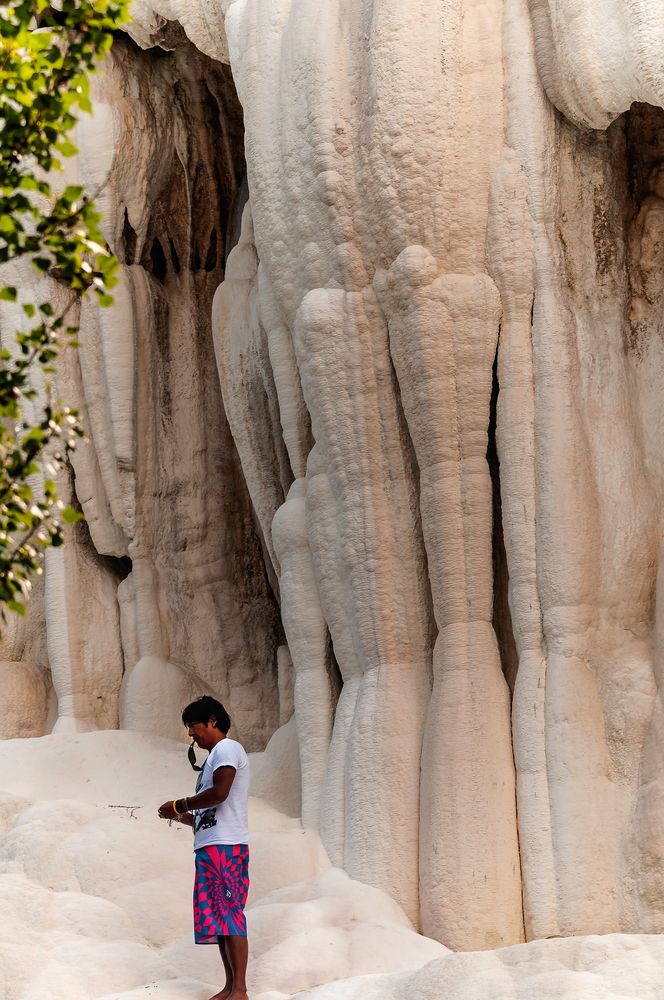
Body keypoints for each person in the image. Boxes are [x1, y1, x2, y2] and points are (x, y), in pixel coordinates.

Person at [158, 696, 251, 1000]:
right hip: (212, 847)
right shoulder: (213, 759)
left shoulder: (227, 748)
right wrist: (180, 815)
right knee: (221, 917)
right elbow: (208, 814)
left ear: (212, 720)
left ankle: (240, 990)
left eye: (193, 726)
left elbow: (220, 793)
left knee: (230, 913)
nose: (190, 734)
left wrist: (179, 803)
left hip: (226, 847)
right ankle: (229, 986)